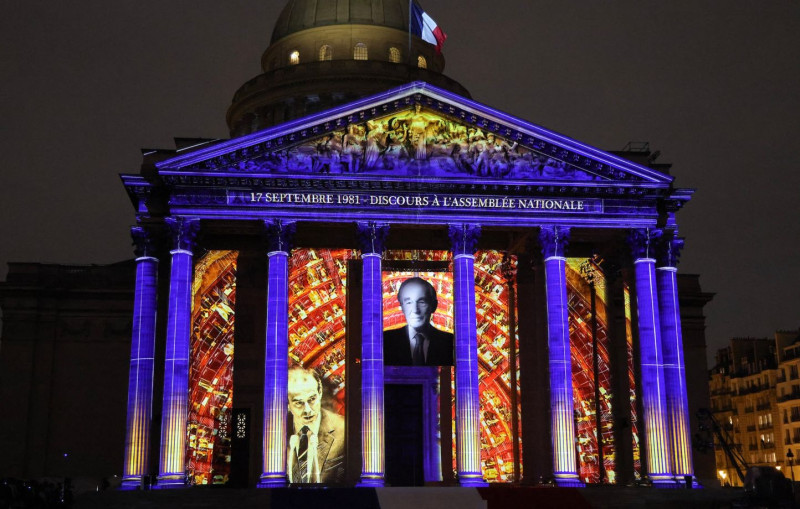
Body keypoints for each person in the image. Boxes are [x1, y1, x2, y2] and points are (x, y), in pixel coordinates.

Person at [286, 367, 345, 484]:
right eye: (298, 403)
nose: (307, 410)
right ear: (287, 403)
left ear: (320, 392)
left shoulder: (344, 429)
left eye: (312, 399)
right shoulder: (275, 431)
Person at [384, 277, 454, 366]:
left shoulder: (450, 342)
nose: (415, 310)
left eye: (422, 302)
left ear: (434, 306)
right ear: (402, 307)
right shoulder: (385, 341)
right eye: (409, 302)